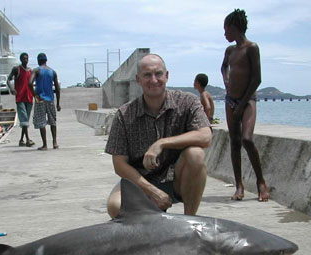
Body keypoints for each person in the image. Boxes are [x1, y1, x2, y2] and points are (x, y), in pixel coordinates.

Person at [105, 54, 212, 218]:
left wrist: (162, 143)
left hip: (177, 179)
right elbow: (119, 164)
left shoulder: (187, 102)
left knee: (195, 154)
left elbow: (206, 136)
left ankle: (189, 222)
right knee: (115, 206)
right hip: (141, 182)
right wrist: (151, 190)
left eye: (158, 74)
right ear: (138, 79)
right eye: (147, 75)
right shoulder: (124, 115)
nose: (154, 80)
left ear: (167, 76)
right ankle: (152, 225)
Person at [221, 9, 270, 202]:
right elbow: (224, 66)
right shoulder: (230, 51)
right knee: (234, 143)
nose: (225, 34)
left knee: (247, 139)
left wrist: (242, 104)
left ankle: (260, 182)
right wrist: (226, 80)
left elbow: (257, 78)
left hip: (248, 100)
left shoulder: (251, 48)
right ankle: (239, 185)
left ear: (234, 28)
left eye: (226, 30)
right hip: (230, 101)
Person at [29, 53, 61, 150]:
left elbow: (30, 83)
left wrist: (35, 94)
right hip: (50, 99)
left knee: (41, 122)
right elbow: (57, 88)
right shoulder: (52, 72)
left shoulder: (37, 70)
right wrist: (58, 103)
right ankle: (55, 142)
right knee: (52, 121)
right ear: (46, 60)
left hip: (40, 100)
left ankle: (45, 144)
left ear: (38, 61)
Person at [8, 52, 35, 147]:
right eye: (24, 58)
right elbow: (8, 79)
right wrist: (12, 88)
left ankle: (21, 140)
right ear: (21, 59)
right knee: (23, 119)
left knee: (25, 121)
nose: (26, 60)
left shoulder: (30, 71)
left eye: (27, 58)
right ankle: (27, 139)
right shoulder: (16, 69)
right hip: (20, 98)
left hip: (29, 98)